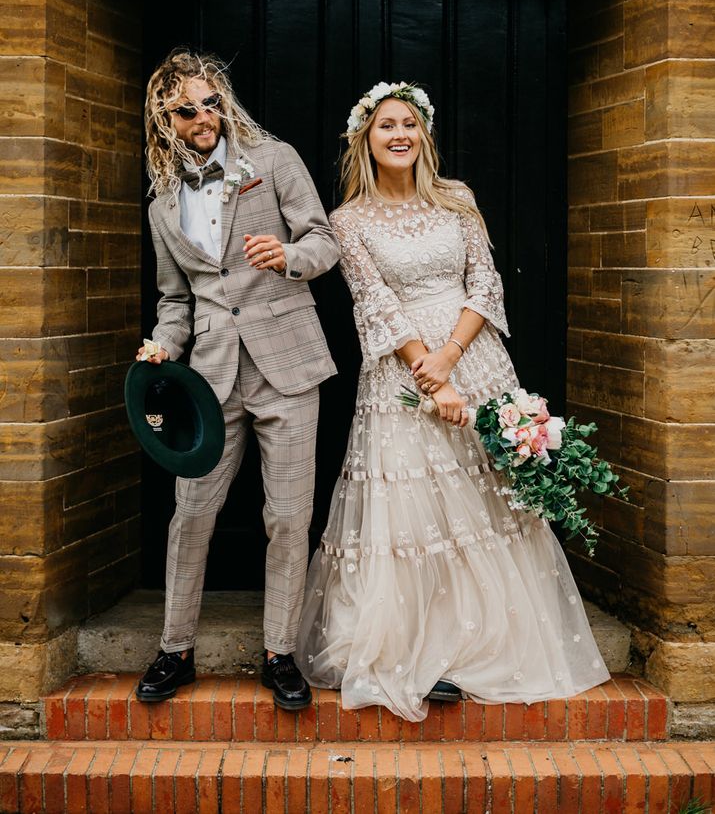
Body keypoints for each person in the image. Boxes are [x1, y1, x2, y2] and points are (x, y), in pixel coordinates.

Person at [295, 81, 609, 721]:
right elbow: (372, 302)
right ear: (366, 138)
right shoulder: (348, 221)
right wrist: (427, 374)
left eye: (410, 123)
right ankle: (418, 650)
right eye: (386, 125)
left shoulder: (458, 200)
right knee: (414, 509)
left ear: (424, 135)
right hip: (400, 372)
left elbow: (485, 283)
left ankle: (477, 647)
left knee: (484, 501)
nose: (400, 134)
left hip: (475, 357)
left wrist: (452, 360)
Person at [135, 48, 340, 710]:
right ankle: (176, 650)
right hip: (211, 375)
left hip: (288, 364)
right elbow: (175, 302)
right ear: (166, 118)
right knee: (191, 515)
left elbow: (324, 242)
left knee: (287, 516)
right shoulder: (163, 203)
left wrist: (287, 256)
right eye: (187, 108)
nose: (203, 116)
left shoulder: (274, 160)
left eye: (211, 102)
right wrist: (162, 347)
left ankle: (280, 654)